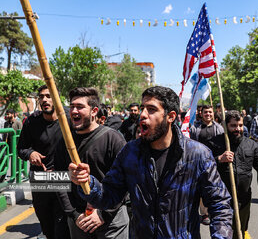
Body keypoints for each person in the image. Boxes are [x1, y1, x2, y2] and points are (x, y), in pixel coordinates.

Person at [69, 86, 233, 238]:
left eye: (151, 109)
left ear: (170, 116)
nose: (142, 114)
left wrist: (221, 235)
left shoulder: (198, 155)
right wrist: (87, 183)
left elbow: (220, 204)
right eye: (142, 108)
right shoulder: (130, 153)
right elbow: (109, 196)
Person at [54, 87, 129, 239]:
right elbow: (59, 181)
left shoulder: (113, 139)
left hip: (111, 222)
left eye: (80, 107)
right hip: (79, 223)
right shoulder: (64, 143)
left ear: (94, 111)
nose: (74, 111)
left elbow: (126, 183)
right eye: (72, 106)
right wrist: (74, 214)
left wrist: (102, 214)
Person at [210, 110, 258, 238]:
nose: (238, 129)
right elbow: (204, 166)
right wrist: (219, 159)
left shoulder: (250, 144)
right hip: (221, 198)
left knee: (240, 230)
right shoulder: (215, 143)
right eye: (233, 126)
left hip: (243, 197)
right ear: (225, 126)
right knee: (222, 232)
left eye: (240, 125)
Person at [17, 85, 70, 239]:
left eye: (49, 96)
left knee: (62, 226)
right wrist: (30, 153)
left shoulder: (69, 119)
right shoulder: (31, 121)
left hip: (64, 179)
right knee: (47, 225)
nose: (45, 99)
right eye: (41, 97)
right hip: (40, 180)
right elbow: (21, 148)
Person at [189, 104, 224, 225]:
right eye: (205, 112)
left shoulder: (219, 128)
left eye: (210, 112)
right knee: (201, 188)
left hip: (216, 162)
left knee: (214, 187)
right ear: (201, 114)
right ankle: (204, 214)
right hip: (199, 162)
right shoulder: (195, 128)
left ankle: (214, 211)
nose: (208, 114)